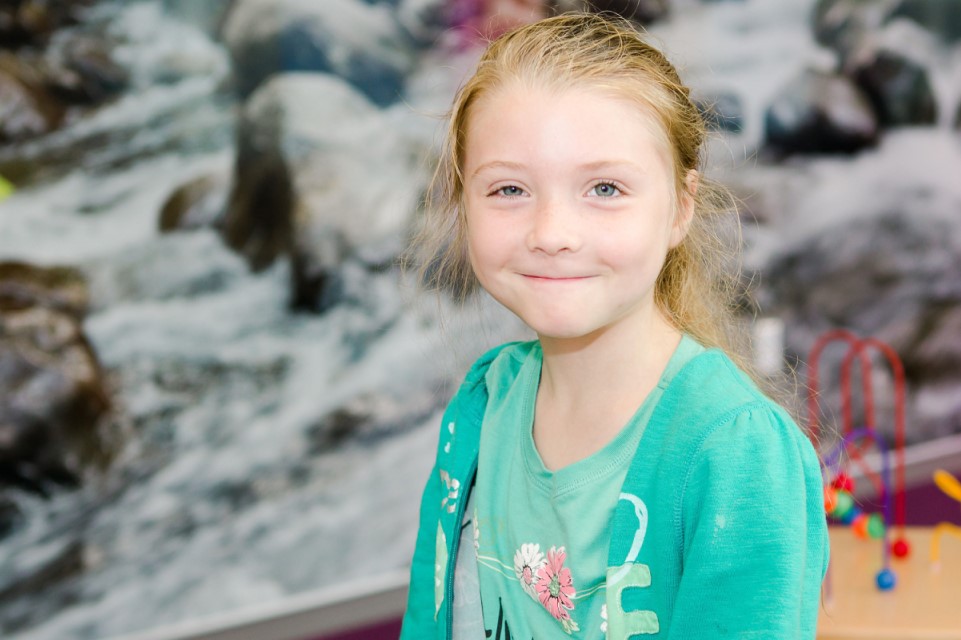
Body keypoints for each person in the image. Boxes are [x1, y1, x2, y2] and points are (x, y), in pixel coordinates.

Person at [400, 12, 829, 639]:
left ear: (680, 208)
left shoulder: (737, 454)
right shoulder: (483, 402)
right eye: (509, 190)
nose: (551, 234)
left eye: (604, 188)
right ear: (463, 200)